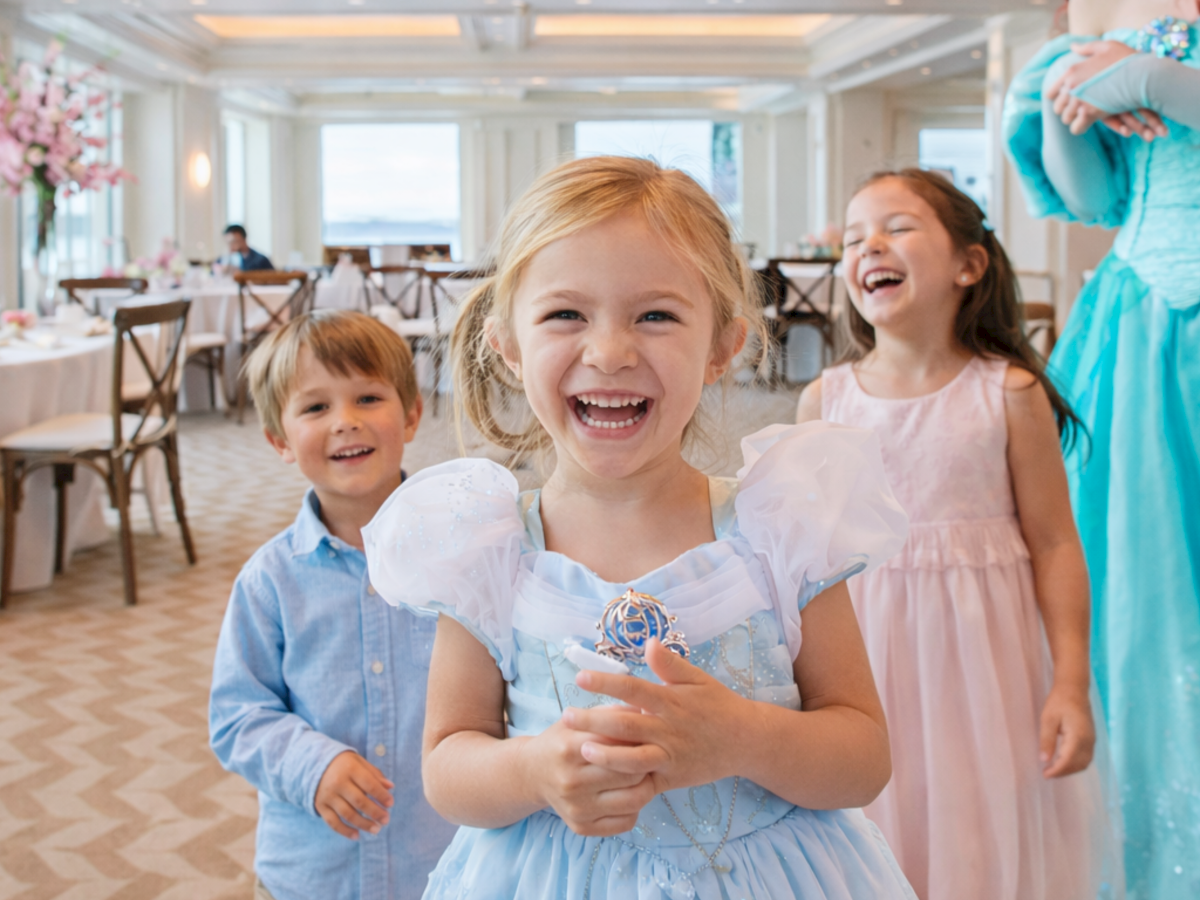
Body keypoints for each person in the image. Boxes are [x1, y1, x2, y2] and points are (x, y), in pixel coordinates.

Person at [361, 156, 917, 900]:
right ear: (508, 346)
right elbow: (447, 766)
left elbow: (863, 757)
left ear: (723, 347)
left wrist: (746, 737)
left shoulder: (778, 528)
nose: (611, 352)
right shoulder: (488, 549)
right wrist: (532, 769)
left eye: (655, 315)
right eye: (566, 315)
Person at [796, 169, 1125, 900]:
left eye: (897, 227)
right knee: (881, 828)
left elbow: (1057, 545)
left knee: (976, 834)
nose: (869, 246)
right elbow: (806, 560)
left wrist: (1070, 683)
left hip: (986, 670)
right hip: (868, 660)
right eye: (853, 238)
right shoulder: (826, 400)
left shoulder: (1006, 393)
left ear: (968, 265)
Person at [1003, 4, 1200, 897]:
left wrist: (1155, 82)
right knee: (1136, 582)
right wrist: (1061, 102)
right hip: (1141, 328)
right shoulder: (1098, 16)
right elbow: (1095, 201)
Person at [209, 310, 455, 900]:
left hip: (445, 863)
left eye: (368, 398)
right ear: (279, 440)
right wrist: (310, 765)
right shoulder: (269, 580)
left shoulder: (461, 559)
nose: (345, 422)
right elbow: (238, 714)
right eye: (315, 408)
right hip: (314, 873)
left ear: (413, 414)